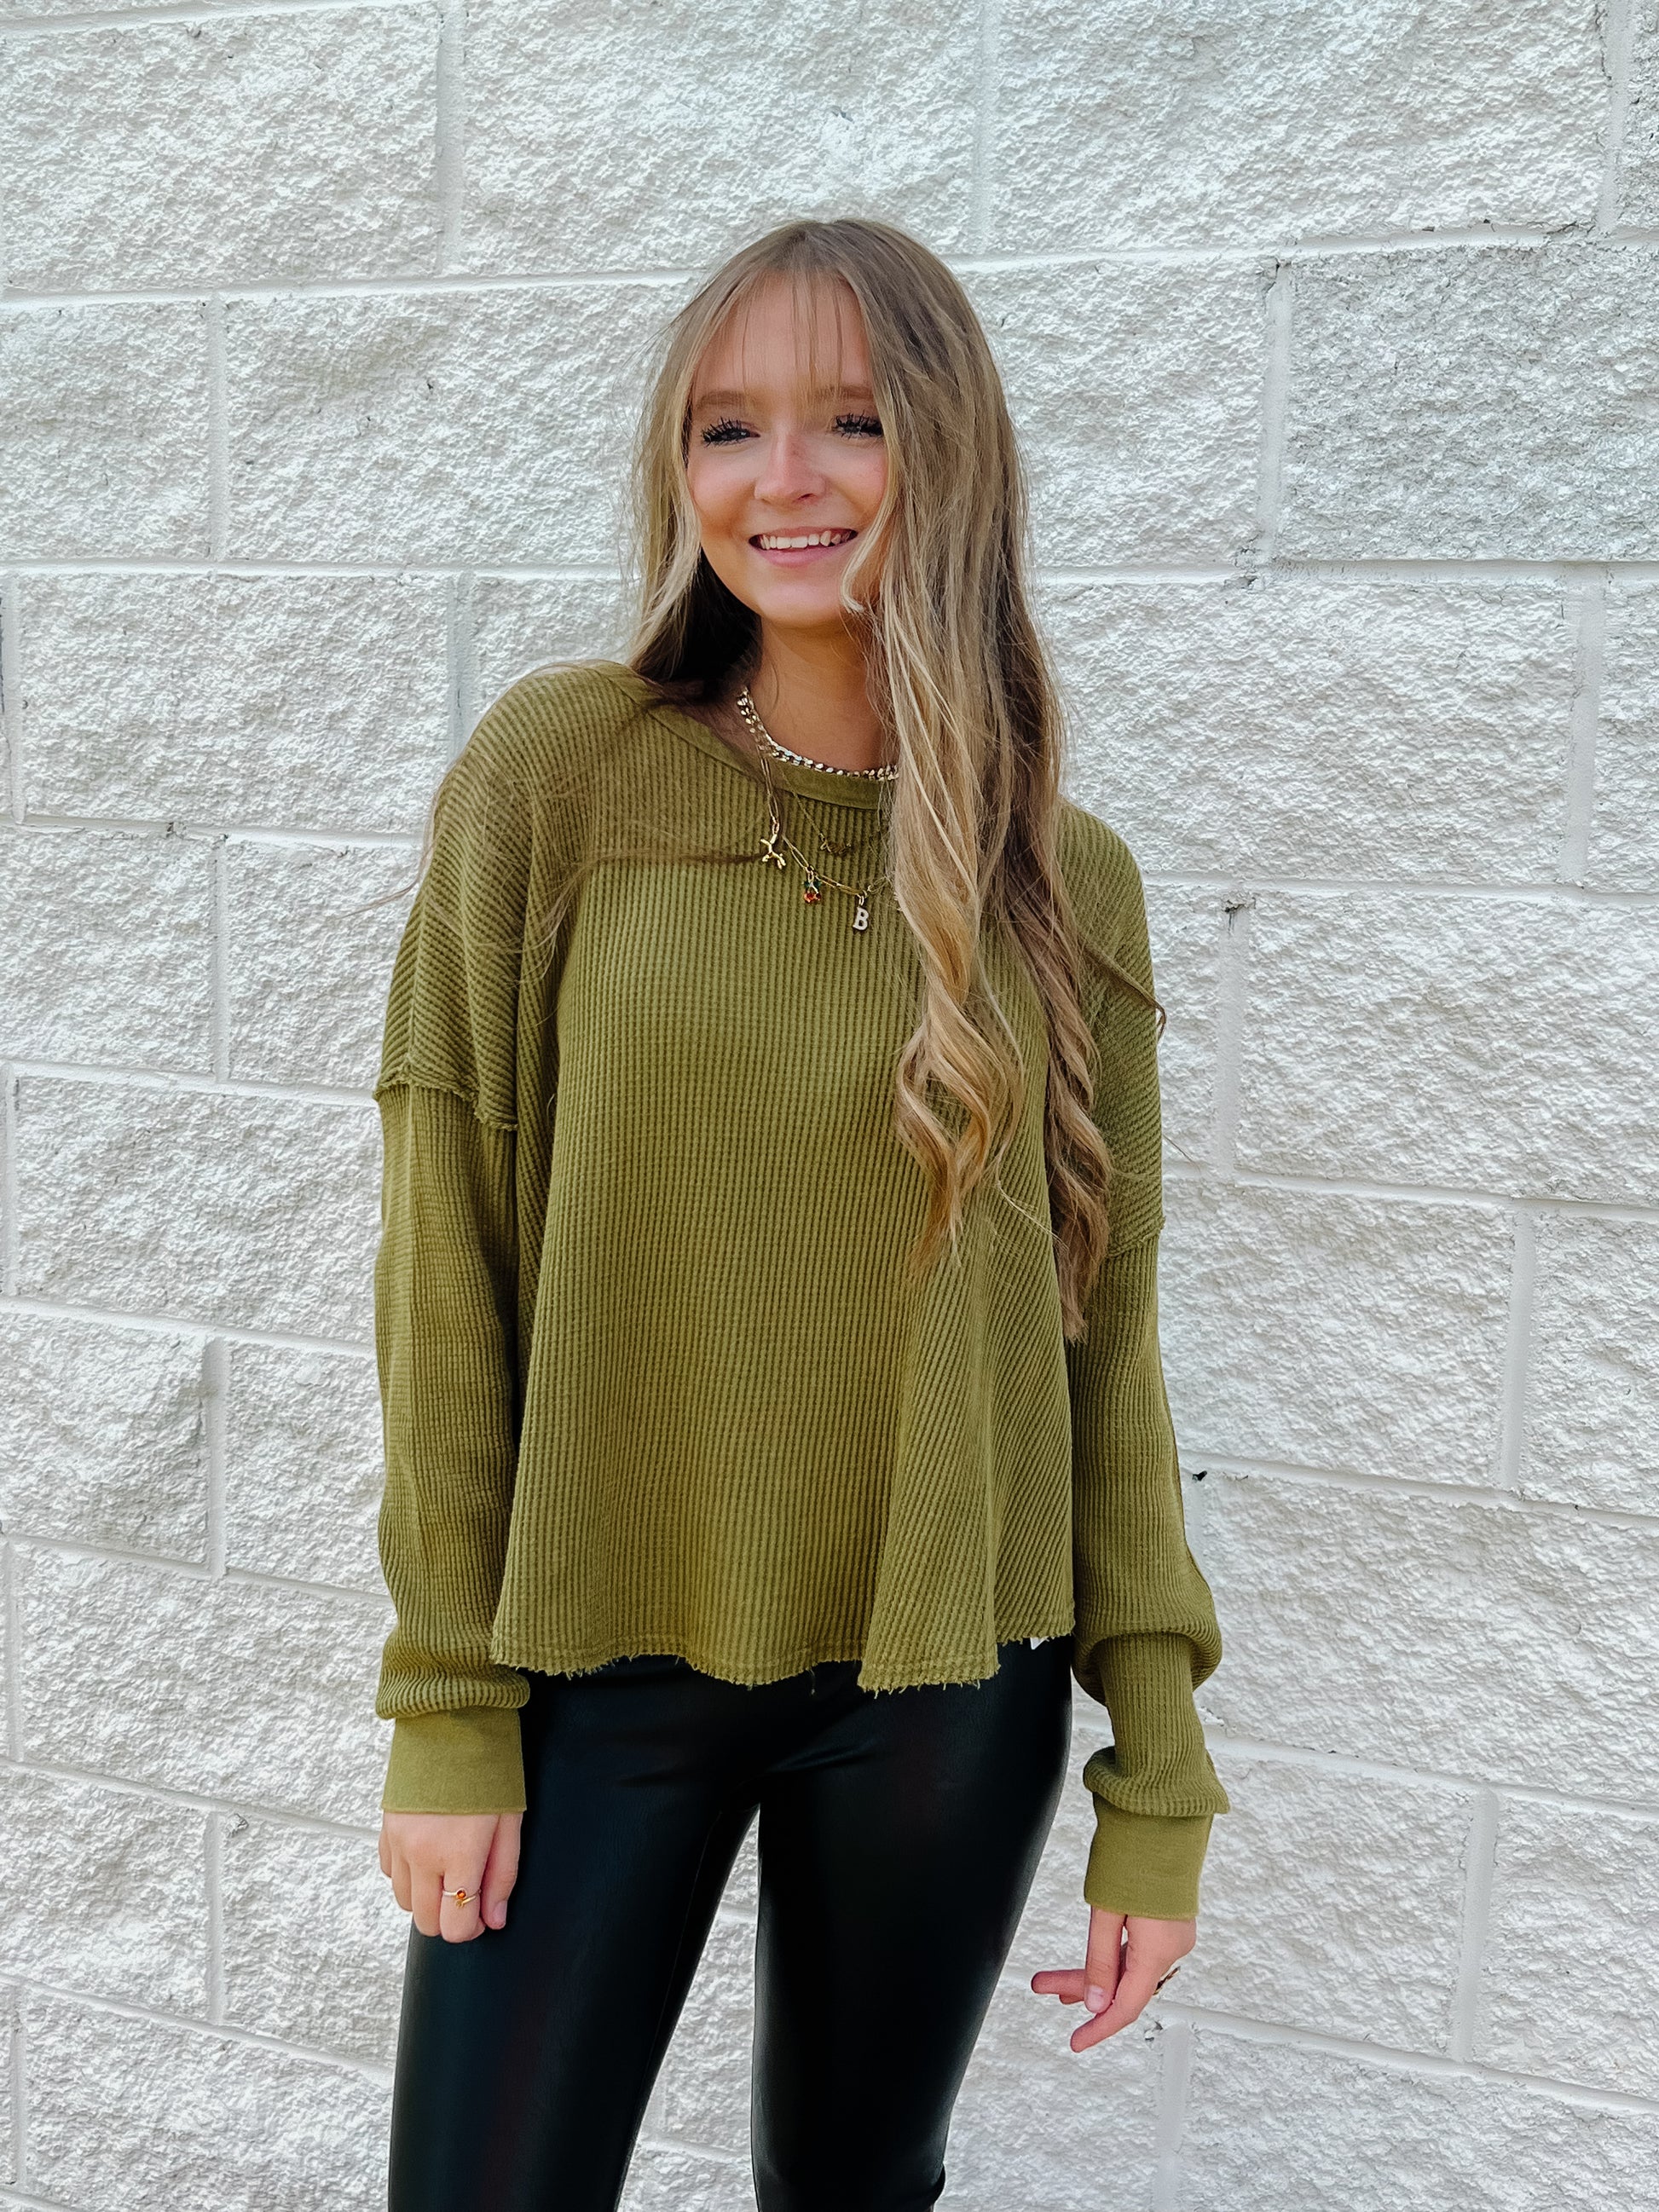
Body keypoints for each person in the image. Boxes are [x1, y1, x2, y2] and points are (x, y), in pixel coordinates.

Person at [370, 215, 1230, 2212]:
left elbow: (1105, 1352)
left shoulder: (1059, 880)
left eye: (850, 419)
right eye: (726, 427)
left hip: (945, 1681)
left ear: (947, 453)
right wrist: (445, 1704)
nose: (784, 479)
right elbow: (446, 1262)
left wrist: (1158, 1780)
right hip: (590, 1668)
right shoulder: (562, 778)